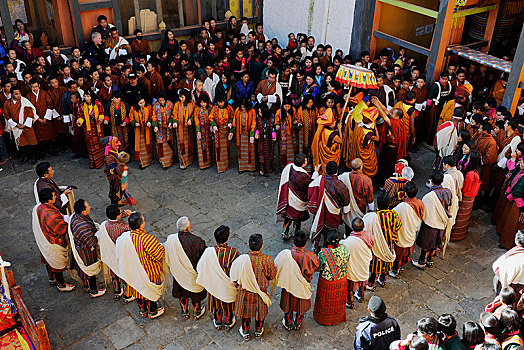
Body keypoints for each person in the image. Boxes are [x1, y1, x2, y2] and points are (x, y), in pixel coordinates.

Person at [116, 212, 166, 319]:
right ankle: (152, 311)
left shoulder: (123, 238)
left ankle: (142, 310)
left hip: (131, 272)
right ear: (142, 225)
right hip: (148, 273)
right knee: (150, 292)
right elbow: (159, 254)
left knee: (137, 290)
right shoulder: (148, 239)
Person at [230, 233, 276, 340]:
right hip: (261, 293)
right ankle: (258, 331)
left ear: (248, 245)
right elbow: (272, 275)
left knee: (245, 313)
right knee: (259, 313)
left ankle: (245, 332)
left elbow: (234, 276)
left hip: (245, 292)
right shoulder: (267, 260)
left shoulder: (241, 259)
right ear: (262, 246)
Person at [196, 225, 240, 330]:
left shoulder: (208, 252)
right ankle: (229, 321)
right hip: (228, 286)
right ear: (227, 238)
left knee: (217, 304)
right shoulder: (233, 253)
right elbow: (238, 270)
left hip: (214, 285)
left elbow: (200, 267)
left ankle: (218, 321)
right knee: (228, 305)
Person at [275, 230, 319, 331]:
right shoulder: (310, 257)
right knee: (301, 303)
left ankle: (288, 322)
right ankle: (298, 322)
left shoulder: (287, 254)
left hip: (288, 284)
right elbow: (314, 268)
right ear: (306, 243)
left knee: (288, 302)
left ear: (293, 241)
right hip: (302, 285)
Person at [33, 188, 75, 292]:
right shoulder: (50, 214)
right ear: (49, 200)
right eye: (54, 196)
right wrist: (67, 221)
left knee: (49, 260)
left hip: (44, 238)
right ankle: (61, 284)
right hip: (53, 241)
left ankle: (52, 278)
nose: (56, 196)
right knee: (57, 264)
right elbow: (60, 229)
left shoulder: (38, 207)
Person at [165, 216, 207, 319]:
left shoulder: (171, 240)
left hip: (179, 272)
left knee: (182, 292)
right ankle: (197, 312)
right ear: (189, 228)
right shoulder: (197, 241)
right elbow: (204, 259)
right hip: (193, 273)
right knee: (194, 293)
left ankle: (184, 311)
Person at [413, 171, 453, 269]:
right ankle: (430, 260)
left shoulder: (429, 197)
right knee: (435, 242)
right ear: (442, 181)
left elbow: (424, 212)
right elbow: (449, 205)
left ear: (431, 181)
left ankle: (422, 262)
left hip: (430, 223)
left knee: (426, 244)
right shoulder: (448, 192)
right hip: (442, 222)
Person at [308, 161, 350, 252]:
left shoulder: (319, 180)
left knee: (320, 226)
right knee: (331, 230)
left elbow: (311, 187)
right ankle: (329, 245)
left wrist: (315, 172)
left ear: (326, 171)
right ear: (337, 172)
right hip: (333, 213)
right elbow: (346, 200)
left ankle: (316, 245)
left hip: (320, 211)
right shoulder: (340, 185)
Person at [69, 199, 105, 297]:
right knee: (89, 270)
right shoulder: (82, 226)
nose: (90, 207)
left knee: (83, 269)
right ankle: (94, 291)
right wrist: (99, 233)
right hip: (85, 251)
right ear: (83, 212)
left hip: (80, 247)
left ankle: (86, 286)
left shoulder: (77, 216)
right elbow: (91, 241)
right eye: (88, 206)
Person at [313, 229, 349, 326]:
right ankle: (336, 318)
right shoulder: (345, 250)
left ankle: (323, 319)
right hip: (341, 280)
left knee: (324, 301)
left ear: (328, 240)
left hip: (327, 281)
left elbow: (319, 268)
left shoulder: (323, 253)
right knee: (338, 300)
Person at [97, 204, 132, 300]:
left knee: (114, 273)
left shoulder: (104, 224)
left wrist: (123, 214)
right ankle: (127, 295)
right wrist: (131, 215)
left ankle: (117, 291)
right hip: (120, 255)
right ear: (117, 216)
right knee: (124, 274)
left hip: (110, 255)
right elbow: (134, 227)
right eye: (121, 212)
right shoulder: (123, 227)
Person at [367, 194, 401, 290]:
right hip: (389, 246)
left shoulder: (374, 217)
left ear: (377, 203)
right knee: (386, 263)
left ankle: (371, 283)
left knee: (375, 266)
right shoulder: (394, 215)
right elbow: (398, 226)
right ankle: (382, 280)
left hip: (377, 247)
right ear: (389, 204)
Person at [391, 181, 424, 278]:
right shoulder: (420, 203)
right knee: (406, 252)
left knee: (398, 254)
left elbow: (393, 217)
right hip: (411, 233)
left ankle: (394, 271)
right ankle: (401, 267)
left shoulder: (401, 206)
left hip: (402, 234)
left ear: (405, 193)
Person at [277, 154, 312, 240]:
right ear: (303, 164)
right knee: (297, 219)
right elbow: (310, 185)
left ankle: (285, 232)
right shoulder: (303, 176)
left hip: (289, 198)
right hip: (298, 201)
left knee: (288, 217)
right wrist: (316, 174)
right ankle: (297, 236)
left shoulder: (289, 167)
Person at [341, 217, 374, 308]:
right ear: (364, 227)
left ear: (351, 226)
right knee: (363, 282)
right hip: (364, 264)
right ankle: (361, 296)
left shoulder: (348, 241)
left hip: (353, 266)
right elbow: (372, 244)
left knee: (350, 287)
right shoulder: (369, 235)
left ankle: (350, 302)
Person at [343, 97, 380, 178]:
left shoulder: (359, 126)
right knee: (369, 169)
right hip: (366, 153)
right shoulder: (369, 134)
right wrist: (376, 128)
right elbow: (377, 139)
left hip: (358, 149)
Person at [450, 151, 481, 241]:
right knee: (465, 216)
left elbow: (465, 188)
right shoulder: (479, 170)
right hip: (472, 196)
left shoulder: (470, 174)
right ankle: (461, 234)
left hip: (466, 196)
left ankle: (455, 236)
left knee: (460, 216)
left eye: (469, 158)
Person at [3, 86, 38, 164]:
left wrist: (25, 124)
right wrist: (16, 124)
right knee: (21, 143)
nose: (18, 95)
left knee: (32, 141)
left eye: (19, 93)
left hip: (26, 126)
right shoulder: (7, 103)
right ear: (11, 94)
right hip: (16, 127)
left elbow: (30, 113)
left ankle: (33, 157)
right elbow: (6, 115)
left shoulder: (24, 101)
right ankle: (25, 156)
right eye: (16, 94)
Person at [495, 160, 524, 249]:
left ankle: (507, 243)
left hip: (519, 205)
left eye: (523, 163)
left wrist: (522, 209)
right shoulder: (520, 172)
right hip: (517, 203)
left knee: (512, 224)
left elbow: (518, 192)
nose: (521, 164)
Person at [339, 158, 375, 232]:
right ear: (361, 167)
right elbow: (370, 198)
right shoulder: (366, 180)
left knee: (348, 227)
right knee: (359, 228)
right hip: (361, 209)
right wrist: (371, 210)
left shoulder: (344, 177)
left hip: (348, 210)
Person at [26, 78, 57, 158]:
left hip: (46, 117)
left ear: (39, 86)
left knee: (50, 135)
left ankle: (51, 149)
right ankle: (42, 151)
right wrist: (38, 119)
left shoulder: (44, 93)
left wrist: (46, 118)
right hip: (37, 119)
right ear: (30, 86)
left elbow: (50, 105)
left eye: (36, 86)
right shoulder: (28, 96)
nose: (35, 89)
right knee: (40, 137)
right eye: (33, 87)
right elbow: (29, 109)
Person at [77, 91, 105, 169]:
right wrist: (79, 121)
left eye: (88, 96)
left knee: (100, 144)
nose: (87, 98)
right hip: (88, 128)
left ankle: (100, 161)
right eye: (85, 96)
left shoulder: (98, 103)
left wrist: (101, 118)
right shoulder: (82, 106)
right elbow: (80, 116)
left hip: (98, 127)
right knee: (90, 145)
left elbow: (102, 112)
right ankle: (93, 163)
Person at [312, 108, 342, 175]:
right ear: (330, 124)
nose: (335, 122)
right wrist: (339, 129)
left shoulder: (323, 130)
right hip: (331, 155)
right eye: (334, 121)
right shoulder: (332, 135)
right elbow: (341, 141)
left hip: (324, 156)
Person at [229, 98, 256, 172]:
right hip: (240, 133)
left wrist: (252, 134)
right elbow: (234, 121)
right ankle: (242, 167)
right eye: (242, 107)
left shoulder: (252, 111)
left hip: (249, 132)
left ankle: (251, 167)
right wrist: (232, 132)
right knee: (241, 150)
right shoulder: (237, 111)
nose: (243, 108)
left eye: (244, 107)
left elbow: (254, 122)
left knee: (250, 150)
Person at [172, 89, 196, 169]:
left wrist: (190, 119)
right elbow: (174, 114)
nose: (180, 99)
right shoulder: (177, 104)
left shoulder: (191, 103)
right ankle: (182, 161)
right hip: (180, 128)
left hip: (188, 128)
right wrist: (175, 121)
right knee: (180, 144)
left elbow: (194, 113)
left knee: (189, 143)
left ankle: (189, 160)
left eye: (182, 97)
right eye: (180, 97)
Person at [210, 95, 234, 173]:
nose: (220, 104)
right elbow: (211, 117)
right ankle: (220, 166)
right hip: (218, 131)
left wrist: (230, 123)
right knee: (218, 148)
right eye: (218, 102)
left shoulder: (229, 108)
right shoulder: (215, 108)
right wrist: (214, 125)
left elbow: (232, 117)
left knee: (226, 148)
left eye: (221, 102)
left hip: (226, 131)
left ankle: (226, 164)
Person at [152, 93, 174, 168]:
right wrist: (155, 126)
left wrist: (170, 122)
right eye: (160, 100)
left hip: (168, 128)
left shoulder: (170, 104)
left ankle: (169, 161)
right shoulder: (155, 106)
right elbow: (154, 116)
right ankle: (163, 162)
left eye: (163, 100)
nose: (161, 102)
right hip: (159, 129)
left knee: (169, 143)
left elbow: (172, 115)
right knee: (161, 145)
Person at [101, 136, 125, 205]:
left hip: (117, 176)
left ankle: (119, 202)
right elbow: (113, 171)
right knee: (115, 191)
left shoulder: (114, 152)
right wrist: (121, 166)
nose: (119, 144)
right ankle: (115, 207)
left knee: (119, 189)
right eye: (116, 142)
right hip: (114, 177)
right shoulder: (109, 157)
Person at [129, 97, 153, 168]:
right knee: (140, 146)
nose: (142, 104)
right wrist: (135, 123)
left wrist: (149, 121)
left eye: (143, 102)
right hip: (138, 130)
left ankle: (149, 160)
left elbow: (151, 116)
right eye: (140, 103)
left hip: (147, 129)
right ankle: (142, 162)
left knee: (148, 143)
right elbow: (131, 118)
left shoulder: (148, 107)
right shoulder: (133, 109)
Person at [275, 98, 297, 168]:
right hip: (283, 135)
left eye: (288, 106)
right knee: (283, 150)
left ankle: (292, 166)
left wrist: (296, 122)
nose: (287, 108)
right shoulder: (279, 112)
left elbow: (295, 119)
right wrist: (277, 126)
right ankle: (283, 166)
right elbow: (276, 122)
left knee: (292, 150)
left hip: (291, 134)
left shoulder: (293, 110)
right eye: (285, 106)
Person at [255, 103, 276, 175]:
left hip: (269, 139)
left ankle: (269, 168)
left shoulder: (271, 117)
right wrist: (256, 133)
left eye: (261, 112)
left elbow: (273, 127)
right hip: (261, 139)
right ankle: (262, 168)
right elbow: (256, 127)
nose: (259, 113)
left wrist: (274, 134)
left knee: (269, 153)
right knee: (261, 153)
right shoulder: (258, 118)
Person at [193, 94, 213, 170]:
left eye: (204, 102)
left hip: (209, 130)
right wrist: (198, 131)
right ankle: (203, 164)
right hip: (201, 130)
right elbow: (196, 120)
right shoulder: (197, 109)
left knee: (210, 145)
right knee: (201, 146)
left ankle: (210, 162)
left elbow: (212, 117)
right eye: (201, 103)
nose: (202, 104)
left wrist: (212, 125)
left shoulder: (210, 108)